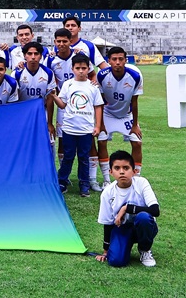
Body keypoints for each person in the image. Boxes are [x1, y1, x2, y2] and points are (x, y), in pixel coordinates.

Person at [63, 16, 109, 190]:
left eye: (73, 25)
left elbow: (103, 67)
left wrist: (97, 79)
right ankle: (64, 180)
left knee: (87, 147)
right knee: (65, 147)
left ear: (79, 28)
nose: (70, 28)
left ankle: (89, 180)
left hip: (85, 101)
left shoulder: (88, 46)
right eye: (67, 25)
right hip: (66, 101)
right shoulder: (59, 47)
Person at [52, 53, 104, 197]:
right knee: (68, 157)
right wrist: (54, 96)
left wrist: (97, 126)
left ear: (88, 68)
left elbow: (98, 107)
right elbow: (62, 105)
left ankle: (84, 184)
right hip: (69, 129)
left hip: (86, 130)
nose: (81, 71)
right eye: (78, 68)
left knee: (83, 158)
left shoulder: (93, 86)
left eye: (84, 68)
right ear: (72, 69)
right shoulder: (68, 84)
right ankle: (62, 181)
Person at [95, 150, 159, 267]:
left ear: (134, 171)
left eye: (126, 168)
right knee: (116, 261)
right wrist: (106, 251)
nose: (122, 172)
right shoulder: (107, 193)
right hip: (122, 229)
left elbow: (155, 210)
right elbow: (108, 224)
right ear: (110, 172)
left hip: (144, 226)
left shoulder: (142, 183)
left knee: (143, 217)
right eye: (117, 168)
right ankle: (122, 246)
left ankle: (145, 250)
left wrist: (127, 208)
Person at [97, 47, 144, 186]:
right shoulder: (102, 75)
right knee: (101, 141)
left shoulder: (135, 76)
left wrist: (135, 125)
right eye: (114, 59)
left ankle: (136, 179)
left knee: (137, 143)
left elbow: (134, 102)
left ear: (125, 60)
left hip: (126, 115)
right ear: (109, 61)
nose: (117, 62)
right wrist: (101, 124)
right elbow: (100, 101)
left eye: (120, 59)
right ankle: (106, 180)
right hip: (107, 113)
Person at [45, 28, 78, 169]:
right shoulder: (50, 59)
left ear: (70, 41)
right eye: (58, 41)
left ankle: (89, 175)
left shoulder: (78, 56)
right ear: (54, 42)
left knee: (86, 138)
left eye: (65, 41)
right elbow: (48, 80)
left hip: (80, 102)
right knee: (62, 138)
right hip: (62, 103)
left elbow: (90, 74)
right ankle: (62, 172)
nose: (61, 44)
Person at [15, 41, 57, 138]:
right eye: (29, 54)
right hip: (23, 113)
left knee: (46, 139)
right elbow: (14, 99)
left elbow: (50, 99)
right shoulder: (17, 73)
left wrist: (50, 123)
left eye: (36, 54)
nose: (33, 57)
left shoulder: (48, 73)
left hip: (41, 112)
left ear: (41, 56)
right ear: (24, 56)